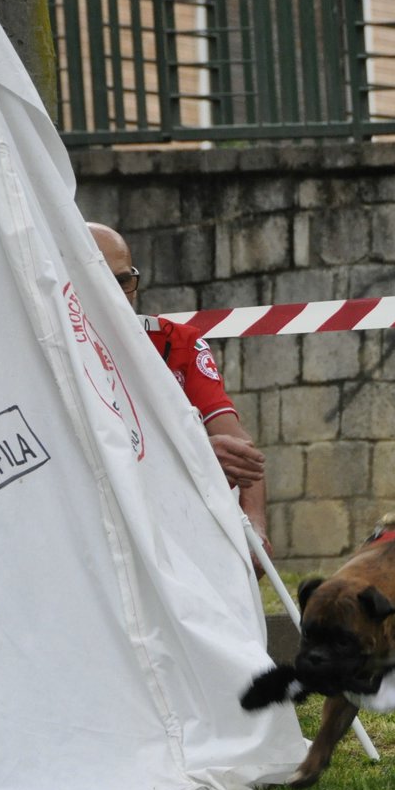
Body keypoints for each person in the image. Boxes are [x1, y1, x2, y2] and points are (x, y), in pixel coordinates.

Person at [87, 222, 272, 560]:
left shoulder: (178, 341)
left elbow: (238, 448)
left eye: (124, 280)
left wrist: (256, 527)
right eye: (97, 279)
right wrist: (194, 454)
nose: (114, 293)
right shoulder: (49, 351)